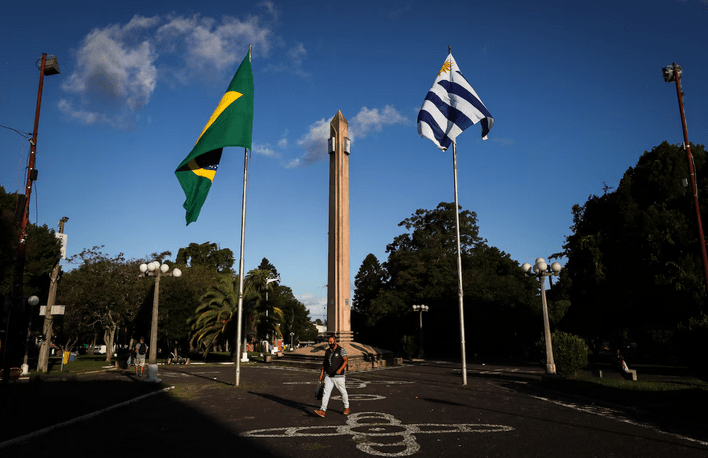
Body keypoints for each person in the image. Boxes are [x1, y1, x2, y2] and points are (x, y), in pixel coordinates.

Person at [314, 335, 350, 417]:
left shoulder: (341, 350)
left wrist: (340, 369)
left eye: (331, 341)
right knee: (326, 393)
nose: (330, 343)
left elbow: (346, 360)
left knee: (342, 392)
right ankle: (323, 410)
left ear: (335, 341)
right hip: (329, 376)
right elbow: (324, 364)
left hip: (339, 377)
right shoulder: (327, 351)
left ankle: (346, 407)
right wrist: (321, 375)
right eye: (329, 342)